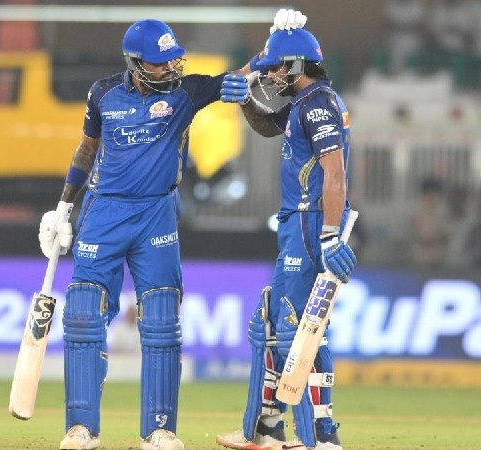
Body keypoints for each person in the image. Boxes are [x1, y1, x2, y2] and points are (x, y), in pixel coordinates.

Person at [36, 12, 309, 450]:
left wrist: (276, 40)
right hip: (103, 213)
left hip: (156, 215)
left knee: (162, 320)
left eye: (173, 60)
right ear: (135, 63)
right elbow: (86, 149)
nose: (170, 68)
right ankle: (81, 428)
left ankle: (159, 429)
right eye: (160, 62)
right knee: (83, 314)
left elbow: (243, 73)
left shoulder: (188, 91)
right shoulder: (103, 93)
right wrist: (63, 207)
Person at [215, 19, 358, 450]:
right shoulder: (304, 102)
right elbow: (262, 123)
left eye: (278, 67)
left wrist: (329, 235)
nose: (272, 75)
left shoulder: (317, 105)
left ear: (297, 65)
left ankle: (322, 436)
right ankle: (271, 428)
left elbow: (334, 173)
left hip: (311, 222)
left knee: (303, 326)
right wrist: (255, 70)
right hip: (298, 222)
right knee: (277, 325)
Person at [409, 176, 450, 270]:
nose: (434, 197)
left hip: (439, 259)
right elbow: (418, 235)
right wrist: (429, 239)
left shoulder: (441, 211)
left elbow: (446, 234)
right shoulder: (417, 211)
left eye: (436, 194)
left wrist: (438, 238)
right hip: (421, 259)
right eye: (430, 193)